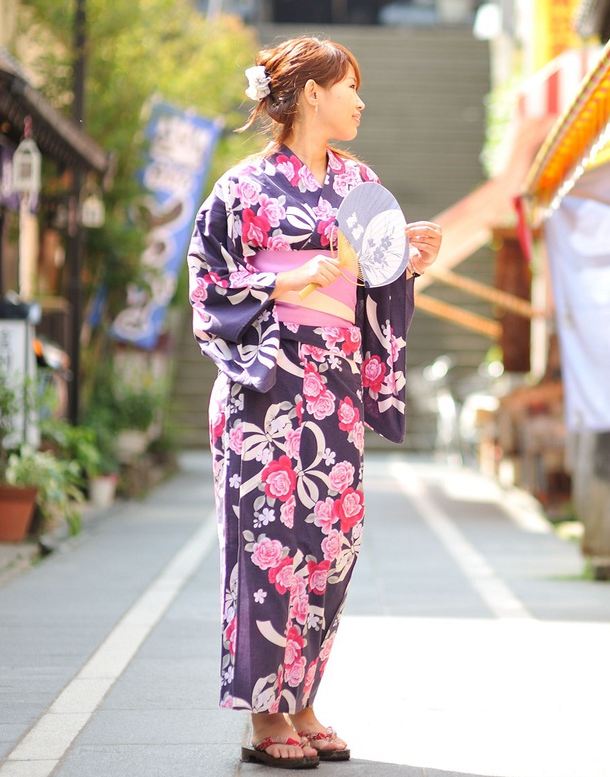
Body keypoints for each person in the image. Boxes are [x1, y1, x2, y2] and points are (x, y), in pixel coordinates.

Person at [186, 35, 441, 770]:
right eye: (349, 86)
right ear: (308, 95)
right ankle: (265, 714)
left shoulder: (361, 183)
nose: (360, 100)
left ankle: (302, 698)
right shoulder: (243, 188)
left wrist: (405, 263)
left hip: (333, 389)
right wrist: (280, 283)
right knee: (267, 545)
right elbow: (208, 283)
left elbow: (376, 285)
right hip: (265, 386)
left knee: (329, 548)